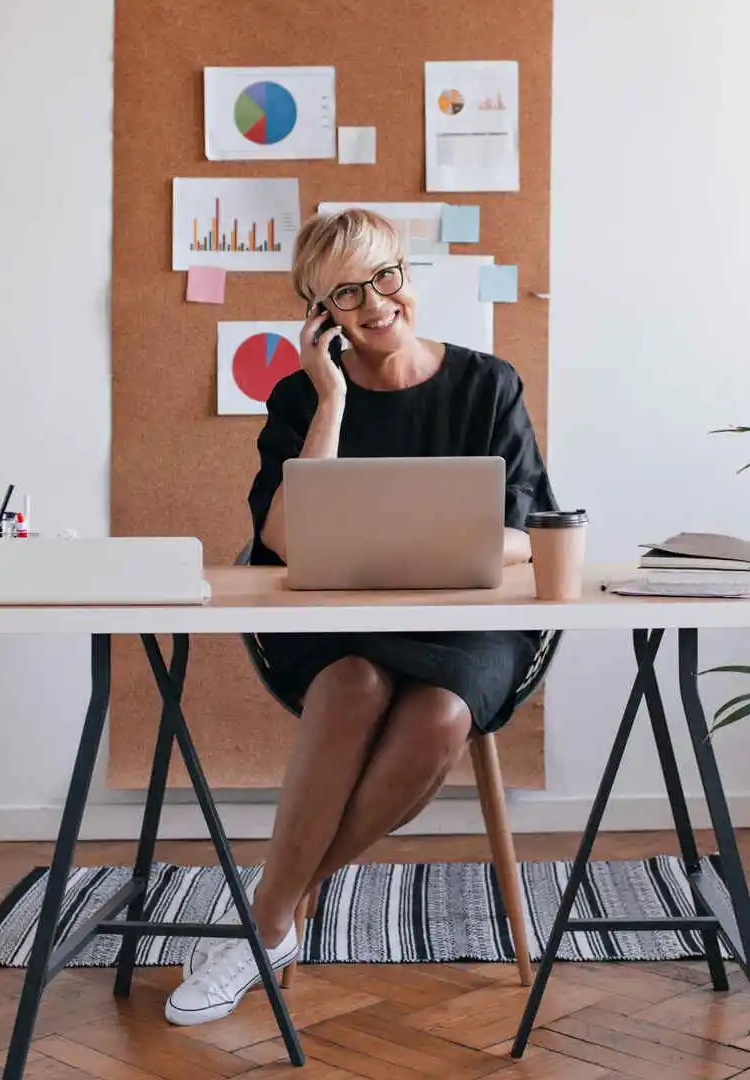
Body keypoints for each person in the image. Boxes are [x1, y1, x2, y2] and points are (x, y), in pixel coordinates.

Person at [165, 208, 557, 1026]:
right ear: (320, 314)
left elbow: (528, 534)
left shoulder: (490, 384)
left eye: (385, 277)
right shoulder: (299, 395)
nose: (377, 303)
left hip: (469, 621)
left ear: (406, 274)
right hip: (337, 623)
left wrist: (451, 543)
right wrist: (331, 397)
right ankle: (272, 921)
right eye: (347, 293)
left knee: (442, 713)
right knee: (350, 685)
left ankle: (267, 914)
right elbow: (282, 535)